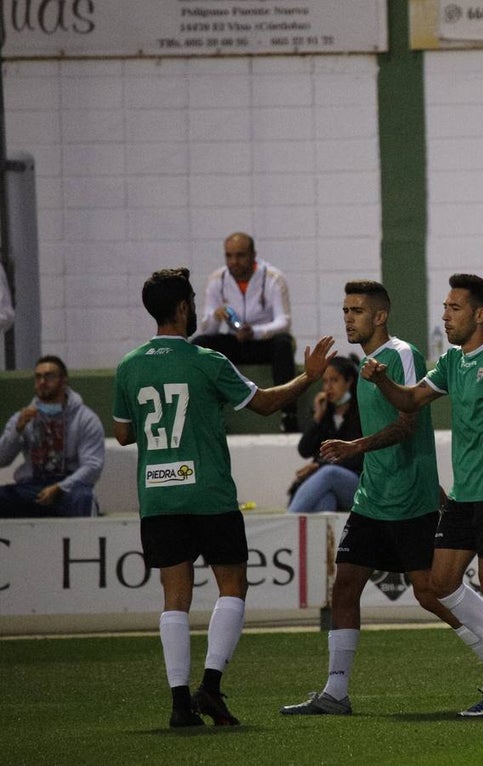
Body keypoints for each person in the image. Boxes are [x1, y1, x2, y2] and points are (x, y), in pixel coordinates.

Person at [113, 267, 334, 728]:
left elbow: (122, 433)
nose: (194, 307)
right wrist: (307, 377)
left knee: (175, 597)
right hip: (208, 493)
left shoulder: (129, 366)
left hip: (159, 495)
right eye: (190, 300)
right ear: (180, 308)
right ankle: (210, 688)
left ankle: (178, 703)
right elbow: (266, 403)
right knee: (231, 586)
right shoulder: (207, 361)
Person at [282, 280, 483, 716]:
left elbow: (408, 425)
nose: (348, 317)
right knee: (344, 586)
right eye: (345, 309)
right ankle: (335, 692)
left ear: (380, 316)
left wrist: (355, 448)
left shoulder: (401, 356)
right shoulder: (366, 363)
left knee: (431, 592)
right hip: (373, 497)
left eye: (357, 311)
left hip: (408, 496)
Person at [364, 273, 483, 718]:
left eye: (454, 308)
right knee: (440, 583)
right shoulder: (452, 362)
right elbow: (410, 399)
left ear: (481, 314)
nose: (445, 315)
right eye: (445, 307)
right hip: (463, 496)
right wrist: (383, 381)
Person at [193, 232, 300, 432]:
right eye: (229, 256)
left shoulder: (273, 278)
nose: (234, 261)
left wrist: (256, 332)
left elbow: (283, 321)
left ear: (253, 255)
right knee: (200, 343)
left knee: (283, 343)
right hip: (235, 341)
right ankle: (206, 414)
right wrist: (216, 316)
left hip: (263, 342)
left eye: (240, 255)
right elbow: (207, 328)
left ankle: (289, 415)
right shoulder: (217, 280)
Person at [0, 355, 105, 517]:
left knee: (83, 497)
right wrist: (17, 430)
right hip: (31, 488)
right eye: (38, 377)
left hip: (69, 489)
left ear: (64, 382)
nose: (42, 382)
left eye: (49, 376)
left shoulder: (85, 419)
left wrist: (60, 487)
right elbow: (2, 459)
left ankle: (84, 542)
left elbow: (92, 467)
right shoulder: (22, 418)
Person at [286, 356, 363, 513]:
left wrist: (318, 466)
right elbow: (304, 450)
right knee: (325, 500)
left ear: (349, 382)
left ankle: (288, 523)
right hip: (333, 487)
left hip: (359, 486)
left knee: (329, 473)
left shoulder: (361, 414)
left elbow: (356, 459)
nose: (328, 387)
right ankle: (324, 538)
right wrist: (317, 419)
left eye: (334, 380)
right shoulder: (327, 415)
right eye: (325, 381)